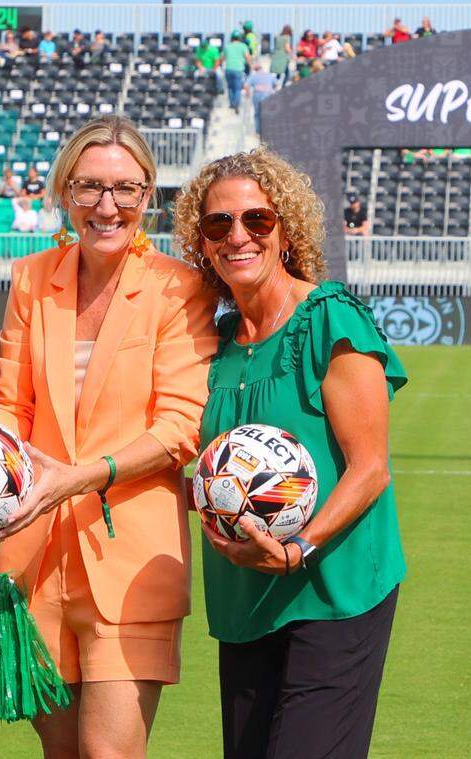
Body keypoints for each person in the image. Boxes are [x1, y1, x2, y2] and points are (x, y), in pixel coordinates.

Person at [0, 115, 217, 758]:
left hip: (133, 563)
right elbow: (11, 403)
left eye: (126, 189)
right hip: (34, 559)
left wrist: (76, 477)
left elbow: (179, 428)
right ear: (64, 192)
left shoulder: (180, 287)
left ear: (148, 195)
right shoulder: (31, 278)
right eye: (89, 187)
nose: (107, 206)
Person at [174, 148, 407, 759]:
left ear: (286, 229)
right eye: (218, 225)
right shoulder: (213, 344)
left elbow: (371, 468)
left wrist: (297, 547)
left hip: (334, 590)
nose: (238, 237)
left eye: (257, 220)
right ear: (201, 241)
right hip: (244, 598)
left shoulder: (327, 317)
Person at [243, 62, 278, 133]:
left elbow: (246, 85)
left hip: (258, 95)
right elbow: (276, 84)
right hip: (269, 94)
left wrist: (248, 94)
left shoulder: (253, 76)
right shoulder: (269, 75)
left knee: (257, 114)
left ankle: (258, 131)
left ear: (255, 70)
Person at [220, 32, 252, 111]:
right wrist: (250, 66)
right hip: (238, 69)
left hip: (228, 69)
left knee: (230, 87)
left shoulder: (227, 46)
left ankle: (231, 104)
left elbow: (222, 58)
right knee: (237, 88)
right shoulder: (243, 46)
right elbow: (248, 57)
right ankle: (236, 104)